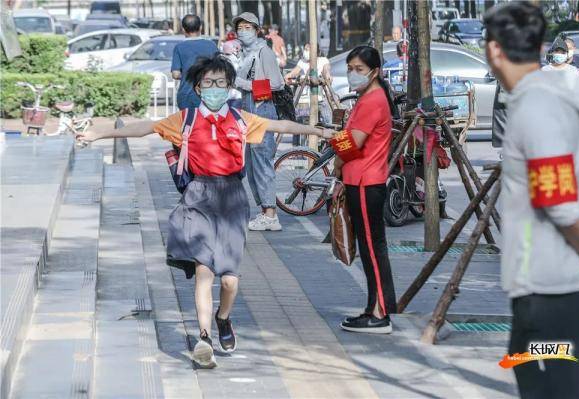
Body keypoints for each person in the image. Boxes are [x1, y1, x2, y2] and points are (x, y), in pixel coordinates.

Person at [77, 55, 334, 369]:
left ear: (228, 87)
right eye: (209, 83)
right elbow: (145, 128)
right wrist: (99, 135)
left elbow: (278, 124)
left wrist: (318, 133)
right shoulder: (185, 120)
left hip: (232, 199)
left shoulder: (241, 119)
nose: (215, 88)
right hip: (198, 196)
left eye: (221, 83)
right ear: (198, 87)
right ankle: (204, 337)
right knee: (204, 272)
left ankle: (223, 318)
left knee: (229, 281)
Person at [483, 3, 579, 398]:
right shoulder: (550, 97)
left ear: (495, 50)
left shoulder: (536, 108)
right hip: (551, 277)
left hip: (545, 279)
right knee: (530, 361)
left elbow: (559, 198)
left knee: (550, 380)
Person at [330, 46, 398, 334]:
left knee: (372, 249)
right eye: (350, 68)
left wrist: (335, 152)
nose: (352, 73)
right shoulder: (367, 97)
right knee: (371, 250)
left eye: (359, 69)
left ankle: (381, 313)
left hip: (367, 183)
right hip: (360, 180)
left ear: (375, 72)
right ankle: (373, 308)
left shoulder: (373, 101)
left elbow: (352, 142)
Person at [233, 12, 286, 231]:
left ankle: (271, 214)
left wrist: (243, 84)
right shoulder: (246, 54)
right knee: (253, 165)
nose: (243, 31)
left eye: (248, 27)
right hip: (249, 111)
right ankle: (265, 211)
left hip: (262, 110)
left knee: (262, 163)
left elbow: (277, 83)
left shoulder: (264, 52)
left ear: (257, 30)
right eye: (240, 27)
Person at [171, 14, 218, 109]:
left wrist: (188, 74)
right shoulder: (211, 45)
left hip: (186, 96)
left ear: (183, 29)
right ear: (200, 27)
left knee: (189, 122)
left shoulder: (179, 47)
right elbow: (219, 69)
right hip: (209, 93)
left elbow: (175, 74)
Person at [284, 43, 333, 126]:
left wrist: (327, 75)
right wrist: (288, 76)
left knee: (327, 118)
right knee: (298, 121)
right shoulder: (302, 61)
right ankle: (298, 137)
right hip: (304, 98)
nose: (305, 52)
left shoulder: (323, 60)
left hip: (320, 96)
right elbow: (295, 72)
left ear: (314, 52)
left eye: (307, 50)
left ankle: (328, 133)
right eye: (305, 49)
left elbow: (326, 70)